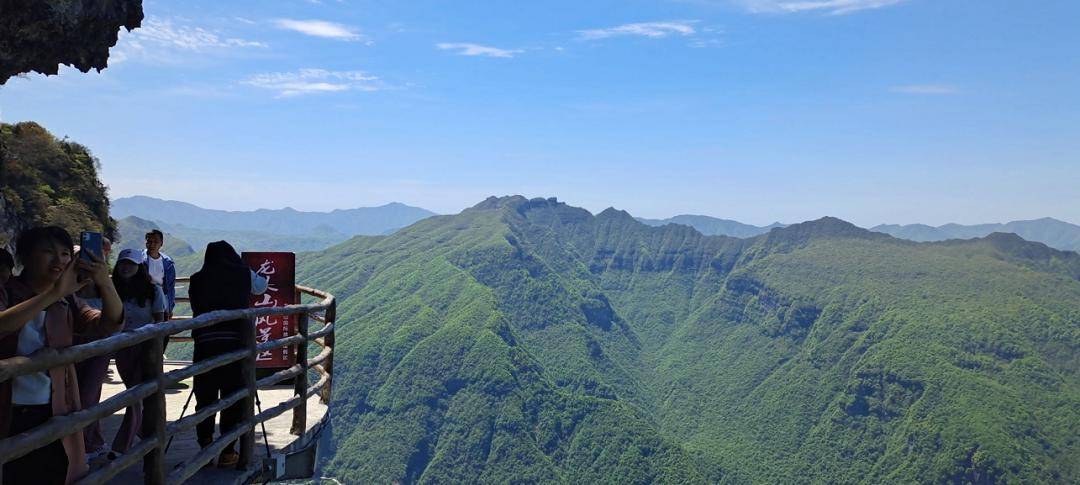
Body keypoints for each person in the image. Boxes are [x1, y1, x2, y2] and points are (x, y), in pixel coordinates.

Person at [0, 226, 123, 484]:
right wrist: (54, 293)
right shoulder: (7, 291)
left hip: (53, 408)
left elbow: (108, 324)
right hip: (9, 411)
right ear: (24, 256)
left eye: (65, 253)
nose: (59, 261)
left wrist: (105, 282)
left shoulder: (68, 301)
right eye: (48, 252)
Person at [188, 241, 266, 468]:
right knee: (233, 397)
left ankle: (205, 446)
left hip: (204, 343)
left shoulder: (197, 279)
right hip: (235, 343)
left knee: (205, 396)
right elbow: (261, 287)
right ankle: (228, 451)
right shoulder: (242, 274)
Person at [107, 248, 166, 459]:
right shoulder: (112, 289)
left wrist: (157, 346)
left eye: (131, 264)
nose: (126, 267)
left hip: (146, 347)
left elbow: (160, 318)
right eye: (123, 263)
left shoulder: (153, 291)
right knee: (135, 392)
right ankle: (147, 433)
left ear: (139, 267)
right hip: (122, 347)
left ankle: (121, 445)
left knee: (134, 395)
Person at [72, 238, 112, 460]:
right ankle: (86, 444)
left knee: (88, 395)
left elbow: (114, 316)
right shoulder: (71, 288)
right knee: (83, 396)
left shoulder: (100, 282)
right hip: (78, 345)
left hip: (98, 346)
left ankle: (88, 443)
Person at [142, 230, 176, 321]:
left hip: (162, 302)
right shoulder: (140, 260)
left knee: (162, 330)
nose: (152, 244)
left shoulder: (168, 263)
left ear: (161, 243)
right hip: (144, 301)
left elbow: (170, 287)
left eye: (156, 242)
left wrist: (170, 307)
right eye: (149, 241)